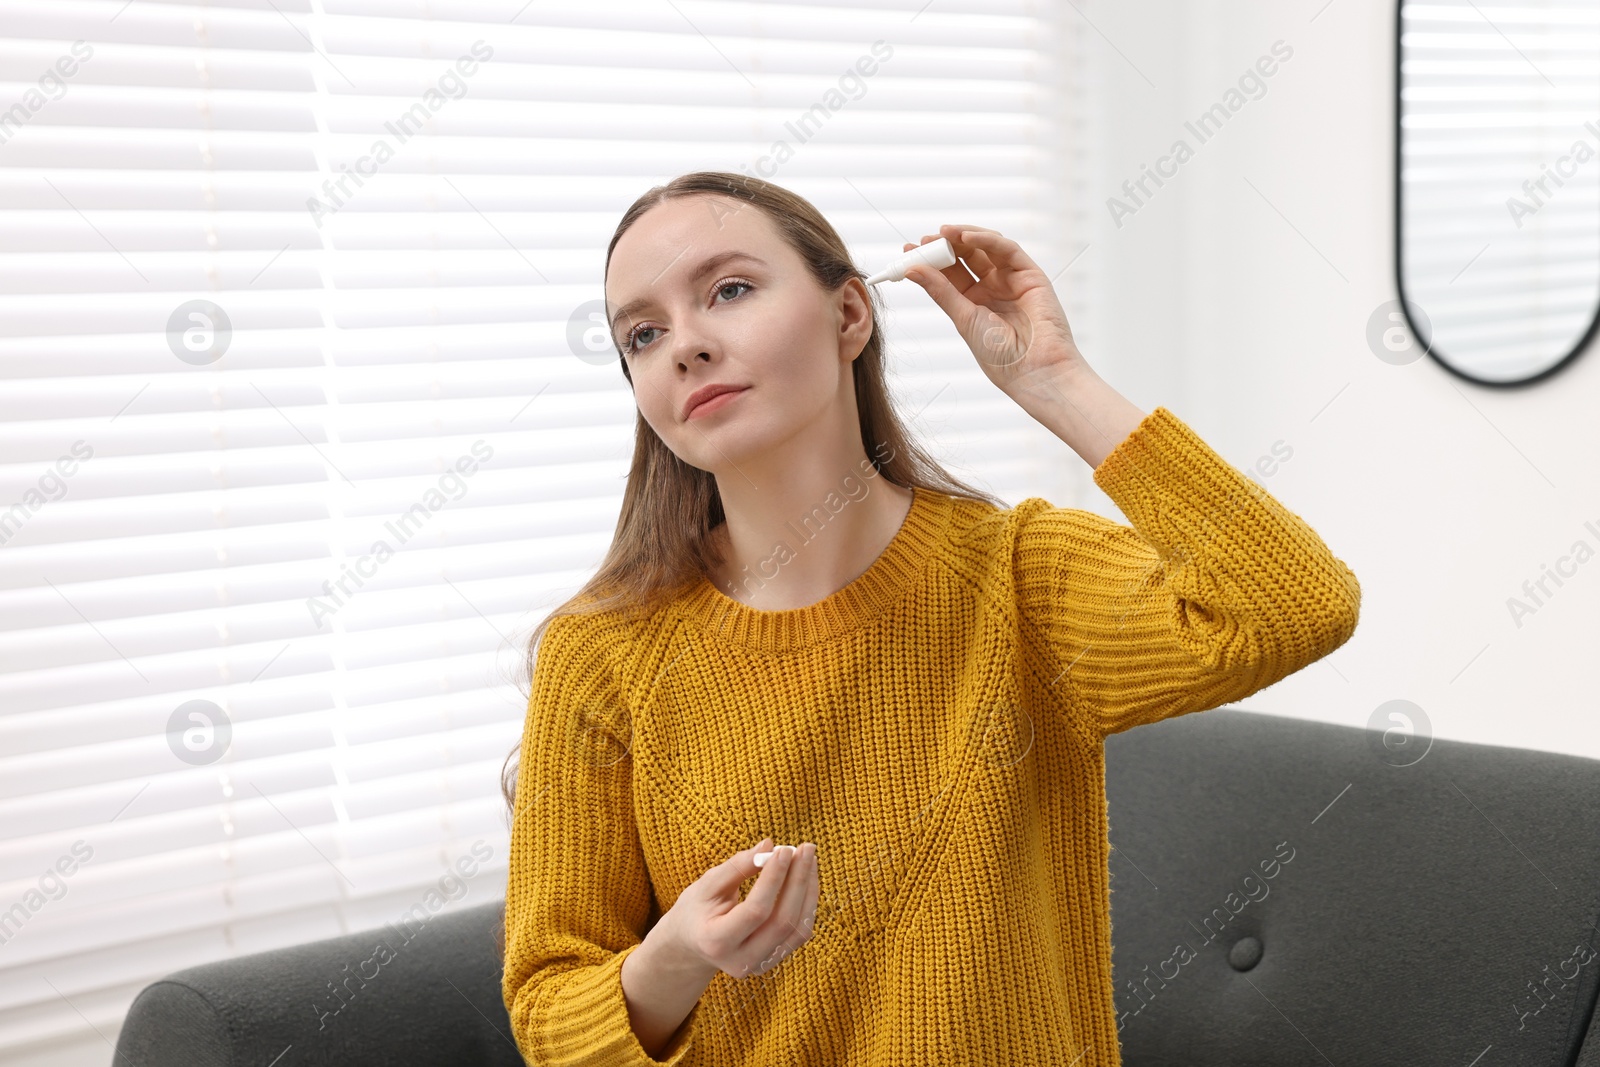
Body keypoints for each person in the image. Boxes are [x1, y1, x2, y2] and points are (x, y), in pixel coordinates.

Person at [498, 171, 1361, 1065]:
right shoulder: (601, 652)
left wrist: (1056, 382)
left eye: (729, 289)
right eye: (643, 333)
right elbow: (551, 1010)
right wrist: (676, 955)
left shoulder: (1019, 578)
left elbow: (1294, 605)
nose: (685, 344)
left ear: (850, 317)